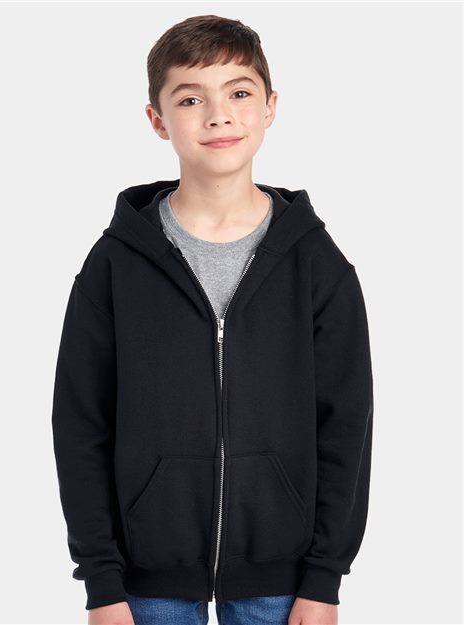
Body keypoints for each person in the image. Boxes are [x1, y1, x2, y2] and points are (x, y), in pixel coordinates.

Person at [51, 14, 374, 625]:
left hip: (282, 580)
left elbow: (346, 426)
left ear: (270, 107)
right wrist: (101, 582)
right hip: (145, 580)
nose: (219, 116)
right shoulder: (115, 263)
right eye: (191, 99)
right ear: (157, 119)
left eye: (239, 93)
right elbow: (80, 422)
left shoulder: (317, 263)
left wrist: (324, 579)